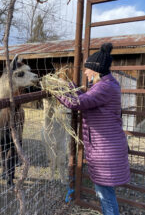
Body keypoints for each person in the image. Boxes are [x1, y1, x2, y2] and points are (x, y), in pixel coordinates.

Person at [57, 42, 130, 215]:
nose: (85, 72)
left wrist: (56, 92)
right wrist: (71, 87)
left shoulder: (104, 87)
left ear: (95, 70)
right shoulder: (105, 85)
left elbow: (77, 102)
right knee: (104, 191)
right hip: (106, 147)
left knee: (105, 194)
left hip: (106, 149)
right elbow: (88, 97)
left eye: (87, 69)